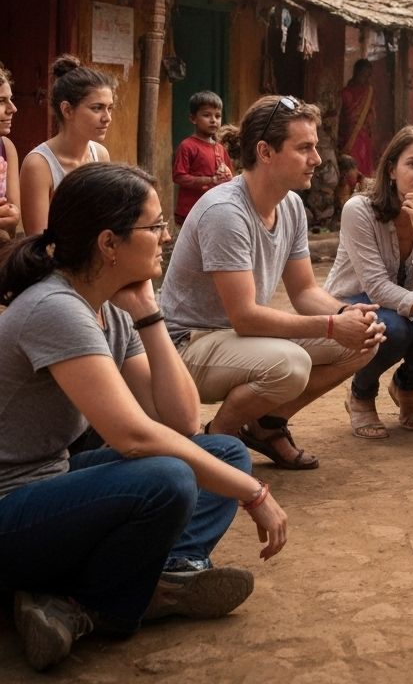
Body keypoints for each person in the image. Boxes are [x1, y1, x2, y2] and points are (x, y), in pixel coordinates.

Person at [0, 163, 288, 672]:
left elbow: (179, 420)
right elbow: (132, 435)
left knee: (225, 452)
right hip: (11, 508)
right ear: (110, 243)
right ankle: (95, 603)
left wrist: (150, 316)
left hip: (49, 484)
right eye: (154, 226)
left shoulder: (107, 308)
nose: (165, 236)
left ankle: (150, 578)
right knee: (168, 478)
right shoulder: (56, 307)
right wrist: (255, 494)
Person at [160, 94, 386, 471]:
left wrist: (346, 314)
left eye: (314, 147)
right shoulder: (226, 212)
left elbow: (305, 292)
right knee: (290, 364)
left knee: (363, 341)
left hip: (238, 339)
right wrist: (332, 326)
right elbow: (245, 318)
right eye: (304, 148)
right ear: (265, 152)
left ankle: (267, 424)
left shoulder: (290, 204)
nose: (316, 159)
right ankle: (217, 439)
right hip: (188, 344)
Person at [325, 126, 413, 439]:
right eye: (412, 164)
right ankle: (361, 393)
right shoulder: (359, 210)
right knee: (392, 330)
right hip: (353, 303)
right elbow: (376, 287)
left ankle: (405, 386)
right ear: (392, 170)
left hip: (407, 305)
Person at [20, 54, 113, 235]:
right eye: (97, 108)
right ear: (67, 110)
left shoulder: (100, 155)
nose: (107, 118)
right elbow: (39, 242)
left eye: (110, 108)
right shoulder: (39, 165)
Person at [172, 90, 234, 226]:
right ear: (193, 118)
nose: (213, 120)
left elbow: (230, 176)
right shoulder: (187, 146)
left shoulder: (220, 148)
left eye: (218, 116)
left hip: (214, 210)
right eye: (206, 115)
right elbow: (179, 177)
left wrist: (227, 177)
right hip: (191, 211)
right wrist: (210, 180)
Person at [337, 58, 375, 177]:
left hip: (363, 136)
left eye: (368, 76)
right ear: (356, 73)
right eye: (363, 75)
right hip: (348, 137)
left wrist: (369, 124)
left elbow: (371, 114)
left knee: (363, 165)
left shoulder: (369, 92)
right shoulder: (345, 93)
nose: (366, 79)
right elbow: (340, 118)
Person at [0, 61, 21, 238]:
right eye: (1, 101)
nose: (12, 108)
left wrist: (11, 216)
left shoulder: (6, 148)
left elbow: (11, 225)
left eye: (10, 99)